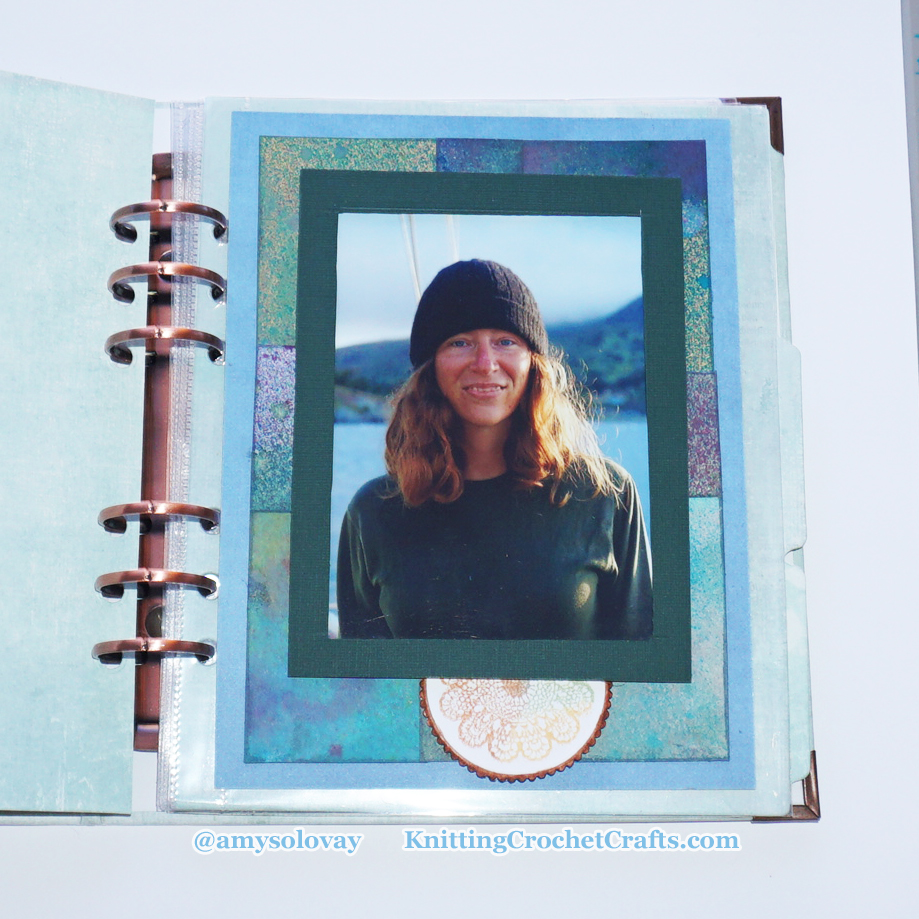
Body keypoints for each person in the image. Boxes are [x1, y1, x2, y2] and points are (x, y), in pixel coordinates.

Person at [337, 258, 652, 640]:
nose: (485, 364)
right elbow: (359, 686)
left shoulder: (604, 495)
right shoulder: (373, 512)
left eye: (506, 341)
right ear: (429, 367)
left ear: (533, 363)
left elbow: (640, 674)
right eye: (460, 342)